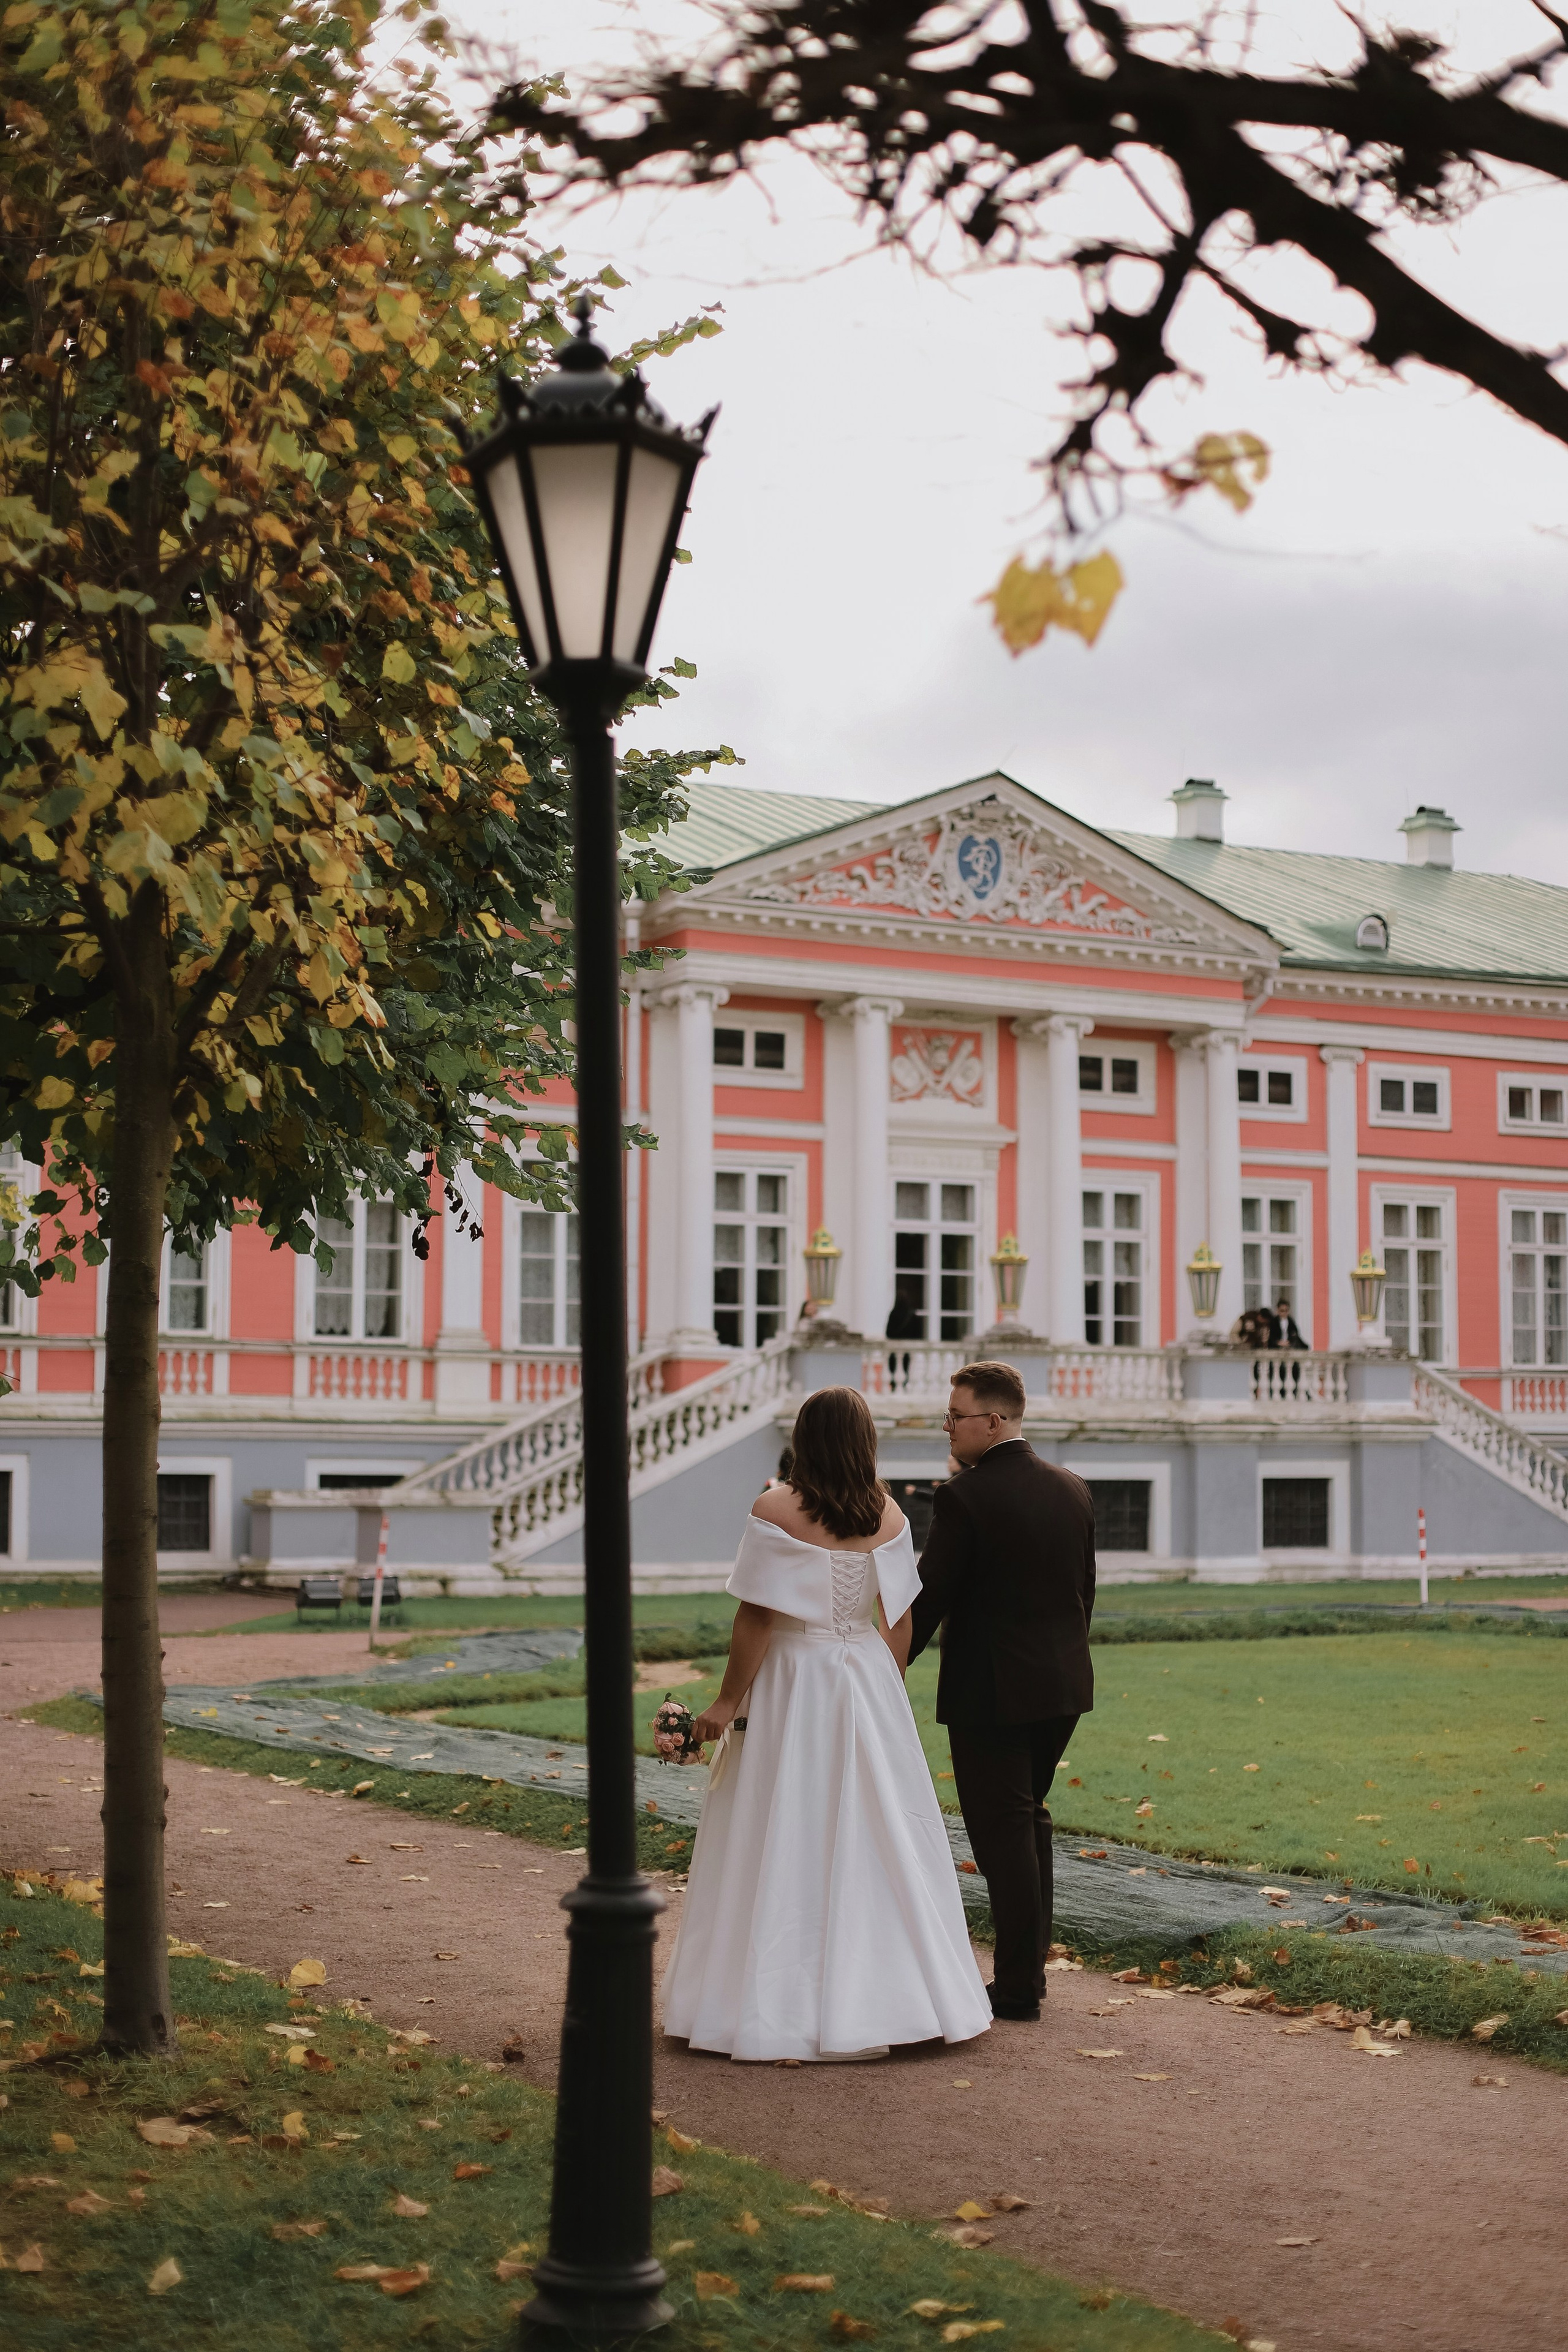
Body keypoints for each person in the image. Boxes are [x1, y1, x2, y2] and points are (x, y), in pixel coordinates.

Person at [660, 1385, 992, 2063]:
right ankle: (899, 1999)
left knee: (780, 1823)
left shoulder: (774, 1507)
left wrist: (723, 1705)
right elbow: (897, 1619)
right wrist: (882, 1687)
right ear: (863, 1440)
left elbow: (756, 1617)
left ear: (805, 1440)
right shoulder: (891, 1514)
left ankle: (763, 2002)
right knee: (877, 1831)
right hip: (864, 1675)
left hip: (791, 1677)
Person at [908, 1361, 1095, 2022]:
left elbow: (928, 1599)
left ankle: (1017, 1988)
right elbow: (1084, 1595)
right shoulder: (1072, 1488)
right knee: (1028, 1821)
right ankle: (1025, 1978)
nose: (946, 1427)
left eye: (954, 1416)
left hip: (992, 1692)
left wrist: (883, 1664)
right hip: (1063, 1684)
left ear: (992, 1421)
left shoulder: (965, 1497)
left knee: (1002, 1834)